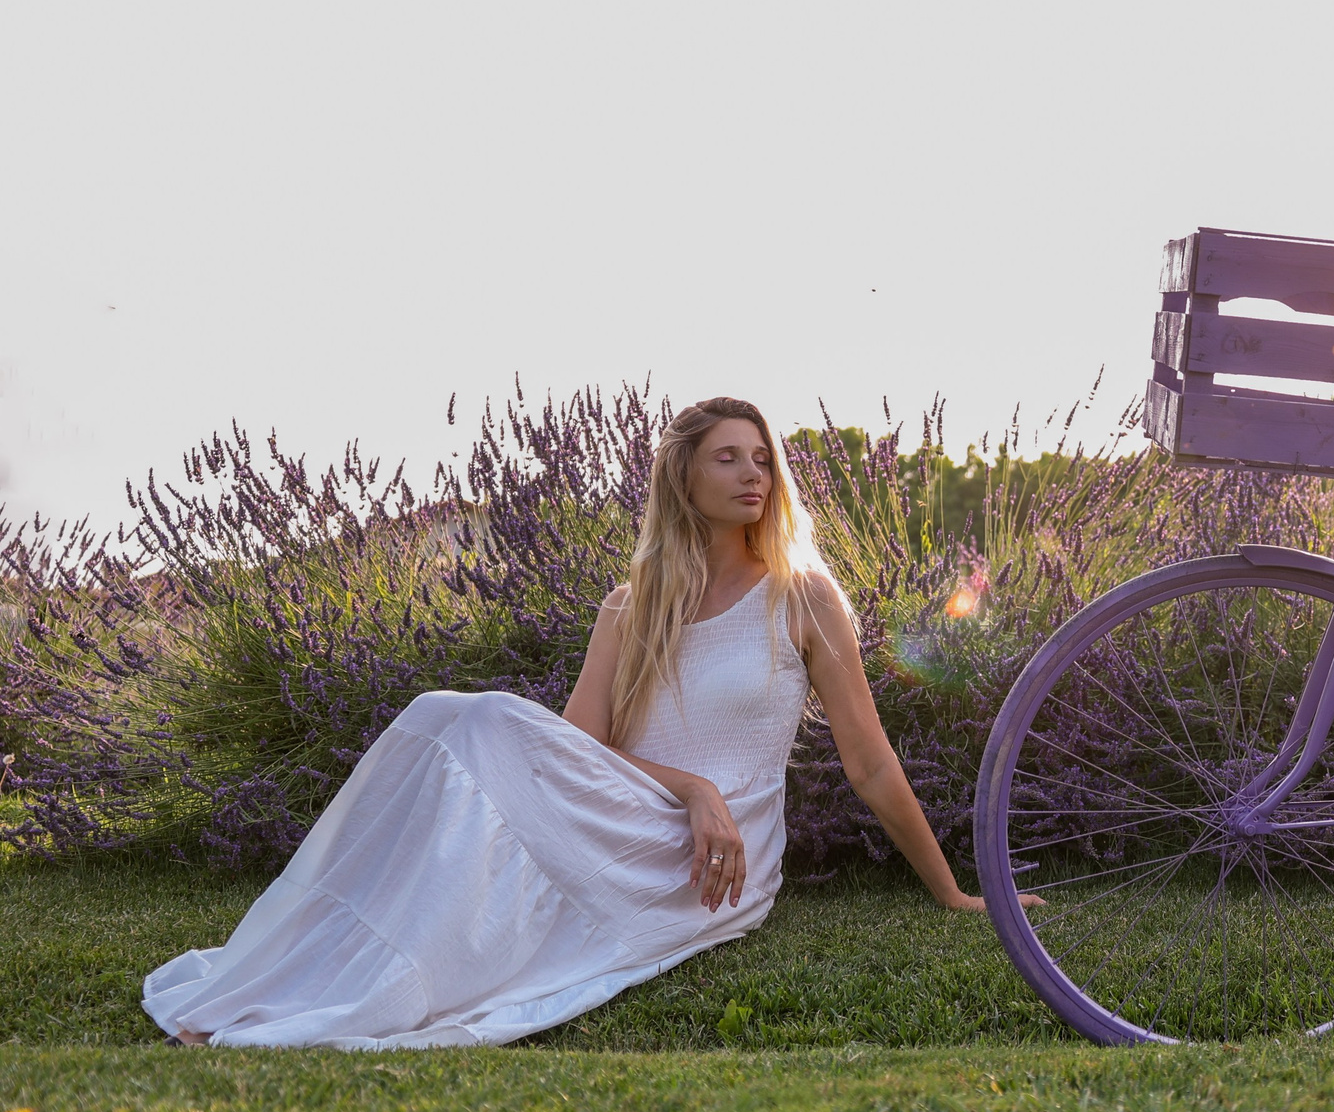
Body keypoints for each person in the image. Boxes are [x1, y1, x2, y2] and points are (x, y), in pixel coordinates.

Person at [145, 395, 996, 1049]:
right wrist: (690, 784)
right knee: (449, 720)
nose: (754, 475)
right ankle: (312, 980)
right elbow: (574, 750)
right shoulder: (631, 607)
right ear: (684, 478)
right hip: (626, 810)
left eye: (763, 459)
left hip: (719, 860)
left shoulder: (802, 597)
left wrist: (952, 889)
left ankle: (345, 996)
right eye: (728, 458)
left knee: (464, 722)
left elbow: (871, 763)